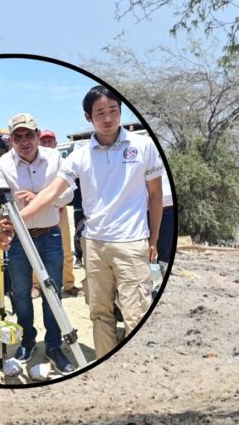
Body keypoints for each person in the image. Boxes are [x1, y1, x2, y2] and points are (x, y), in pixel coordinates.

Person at [21, 86, 163, 359]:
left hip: (132, 243)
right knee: (100, 313)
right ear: (88, 117)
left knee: (137, 313)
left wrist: (153, 239)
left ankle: (136, 368)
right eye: (100, 113)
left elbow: (155, 196)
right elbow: (51, 192)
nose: (108, 118)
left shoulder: (143, 147)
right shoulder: (79, 155)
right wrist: (18, 220)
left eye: (113, 111)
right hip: (94, 245)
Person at [0, 112, 75, 374]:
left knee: (53, 291)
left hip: (50, 234)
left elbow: (69, 193)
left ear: (38, 136)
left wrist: (40, 197)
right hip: (19, 240)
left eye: (29, 135)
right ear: (11, 140)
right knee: (21, 293)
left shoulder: (54, 157)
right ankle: (28, 338)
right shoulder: (2, 165)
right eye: (19, 137)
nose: (25, 141)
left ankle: (52, 344)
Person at [39, 130, 79, 295]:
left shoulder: (63, 162)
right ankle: (36, 285)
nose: (47, 144)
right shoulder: (37, 163)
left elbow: (71, 189)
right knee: (36, 248)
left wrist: (57, 203)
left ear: (56, 143)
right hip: (39, 212)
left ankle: (68, 284)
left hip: (59, 211)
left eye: (50, 141)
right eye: (44, 141)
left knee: (65, 249)